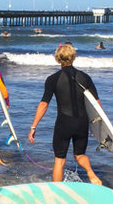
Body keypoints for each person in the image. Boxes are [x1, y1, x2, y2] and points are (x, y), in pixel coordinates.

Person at [28, 44, 102, 185]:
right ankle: (91, 174)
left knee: (59, 160)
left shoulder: (52, 79)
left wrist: (33, 126)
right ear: (73, 57)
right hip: (82, 122)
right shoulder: (85, 77)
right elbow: (96, 104)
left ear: (58, 58)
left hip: (64, 123)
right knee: (80, 155)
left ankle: (58, 191)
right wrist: (97, 125)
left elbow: (44, 104)